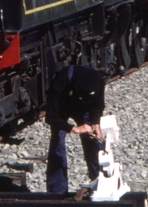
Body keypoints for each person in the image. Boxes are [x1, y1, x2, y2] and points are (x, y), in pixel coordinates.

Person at [45, 64, 106, 194]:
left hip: (82, 107)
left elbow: (98, 105)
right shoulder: (59, 83)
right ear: (77, 87)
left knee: (94, 141)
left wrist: (95, 123)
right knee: (57, 143)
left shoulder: (98, 81)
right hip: (62, 105)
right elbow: (51, 116)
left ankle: (100, 184)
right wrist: (74, 128)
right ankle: (57, 191)